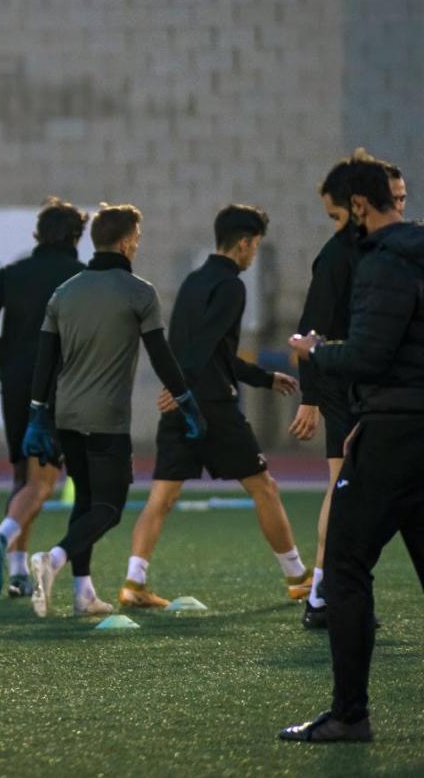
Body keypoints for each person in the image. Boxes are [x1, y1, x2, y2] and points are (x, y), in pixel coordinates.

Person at [281, 159, 424, 744]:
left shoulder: (384, 264)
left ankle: (349, 716)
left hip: (398, 437)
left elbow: (369, 356)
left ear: (358, 206)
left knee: (347, 568)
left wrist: (313, 353)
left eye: (337, 213)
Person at [118, 205, 308, 608]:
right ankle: (298, 578)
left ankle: (134, 583)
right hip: (213, 407)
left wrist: (264, 378)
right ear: (243, 243)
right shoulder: (232, 287)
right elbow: (206, 345)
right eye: (255, 245)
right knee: (264, 488)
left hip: (180, 404)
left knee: (161, 498)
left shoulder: (192, 282)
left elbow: (203, 350)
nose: (254, 253)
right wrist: (183, 386)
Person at [23, 204, 204, 618]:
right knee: (109, 507)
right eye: (137, 239)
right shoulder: (139, 291)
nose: (137, 245)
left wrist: (37, 415)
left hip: (66, 415)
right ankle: (53, 558)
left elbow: (44, 361)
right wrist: (187, 402)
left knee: (86, 501)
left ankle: (83, 594)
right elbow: (160, 355)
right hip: (107, 417)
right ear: (125, 242)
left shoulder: (63, 293)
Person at [291, 154, 402, 629]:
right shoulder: (339, 255)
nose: (396, 210)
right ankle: (324, 593)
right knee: (346, 489)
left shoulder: (391, 250)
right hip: (347, 386)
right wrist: (312, 397)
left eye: (401, 200)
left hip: (376, 386)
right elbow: (310, 331)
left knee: (365, 492)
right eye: (389, 201)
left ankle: (329, 592)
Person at [0, 198, 86, 599]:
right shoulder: (80, 277)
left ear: (38, 235)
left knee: (22, 475)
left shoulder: (13, 273)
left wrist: (2, 354)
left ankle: (18, 572)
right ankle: (1, 539)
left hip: (15, 381)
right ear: (76, 236)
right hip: (57, 385)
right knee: (43, 480)